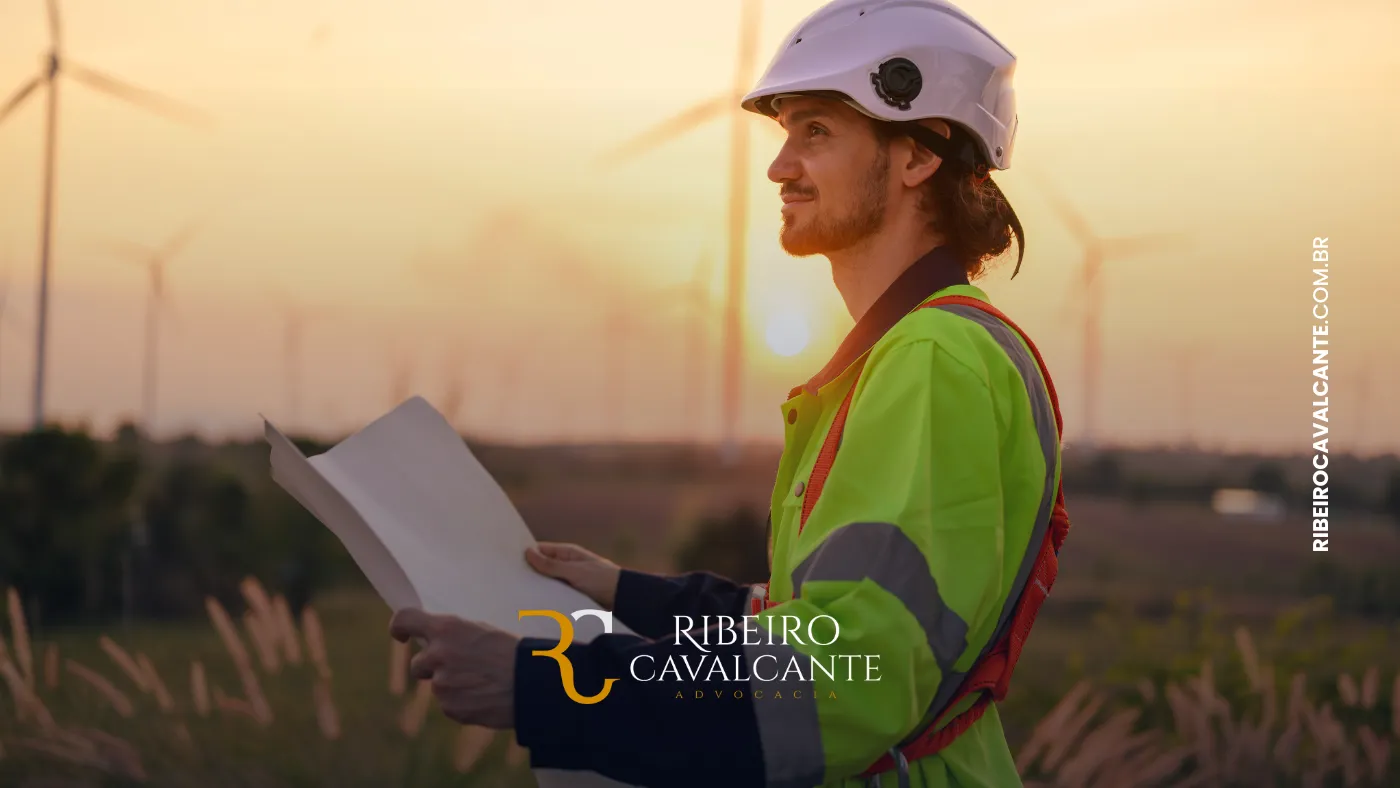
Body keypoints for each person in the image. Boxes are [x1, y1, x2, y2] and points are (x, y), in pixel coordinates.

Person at [388, 1, 1071, 786]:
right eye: (786, 133)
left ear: (918, 156)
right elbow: (816, 623)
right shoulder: (928, 350)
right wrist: (631, 594)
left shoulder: (931, 359)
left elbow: (848, 679)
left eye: (816, 131)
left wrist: (544, 685)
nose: (780, 166)